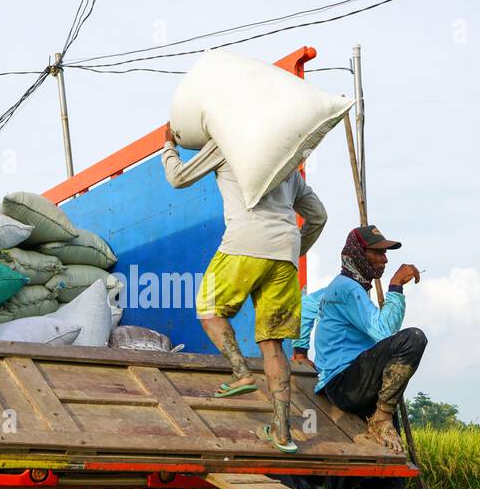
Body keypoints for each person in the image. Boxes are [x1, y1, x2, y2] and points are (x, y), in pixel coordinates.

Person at [161, 127, 326, 453]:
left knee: (208, 308)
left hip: (246, 241)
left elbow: (179, 177)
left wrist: (168, 144)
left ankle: (240, 373)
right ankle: (282, 433)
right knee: (273, 344)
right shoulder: (287, 159)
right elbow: (318, 217)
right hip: (285, 250)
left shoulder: (228, 142)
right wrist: (292, 252)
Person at [302, 225, 426, 453]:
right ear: (359, 254)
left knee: (383, 470)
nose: (385, 260)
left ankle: (382, 416)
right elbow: (385, 333)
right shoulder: (348, 288)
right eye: (377, 253)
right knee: (413, 339)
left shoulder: (344, 287)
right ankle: (382, 416)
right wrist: (396, 287)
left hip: (355, 382)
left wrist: (300, 350)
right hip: (345, 383)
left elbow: (307, 305)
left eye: (385, 253)